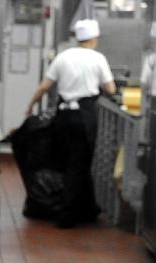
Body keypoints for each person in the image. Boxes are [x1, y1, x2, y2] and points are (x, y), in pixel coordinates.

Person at [25, 19, 116, 228]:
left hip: (63, 116)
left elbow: (44, 87)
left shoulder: (63, 57)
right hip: (84, 116)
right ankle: (66, 215)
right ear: (93, 38)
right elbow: (110, 89)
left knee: (68, 162)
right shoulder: (97, 58)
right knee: (79, 163)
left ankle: (87, 209)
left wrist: (30, 106)